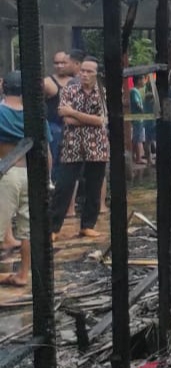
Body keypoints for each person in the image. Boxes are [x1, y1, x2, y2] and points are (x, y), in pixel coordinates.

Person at [51, 56, 110, 241]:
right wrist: (87, 119)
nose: (84, 74)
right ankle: (53, 227)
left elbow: (100, 120)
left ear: (96, 74)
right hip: (72, 144)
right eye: (82, 70)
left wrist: (75, 113)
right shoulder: (70, 89)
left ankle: (87, 225)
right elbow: (63, 115)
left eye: (88, 71)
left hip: (97, 145)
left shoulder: (101, 91)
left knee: (94, 186)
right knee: (64, 185)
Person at [0, 71, 43, 289]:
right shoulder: (35, 115)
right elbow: (47, 152)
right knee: (27, 230)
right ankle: (23, 275)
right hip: (30, 174)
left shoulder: (0, 112)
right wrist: (47, 180)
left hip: (6, 173)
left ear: (2, 86)